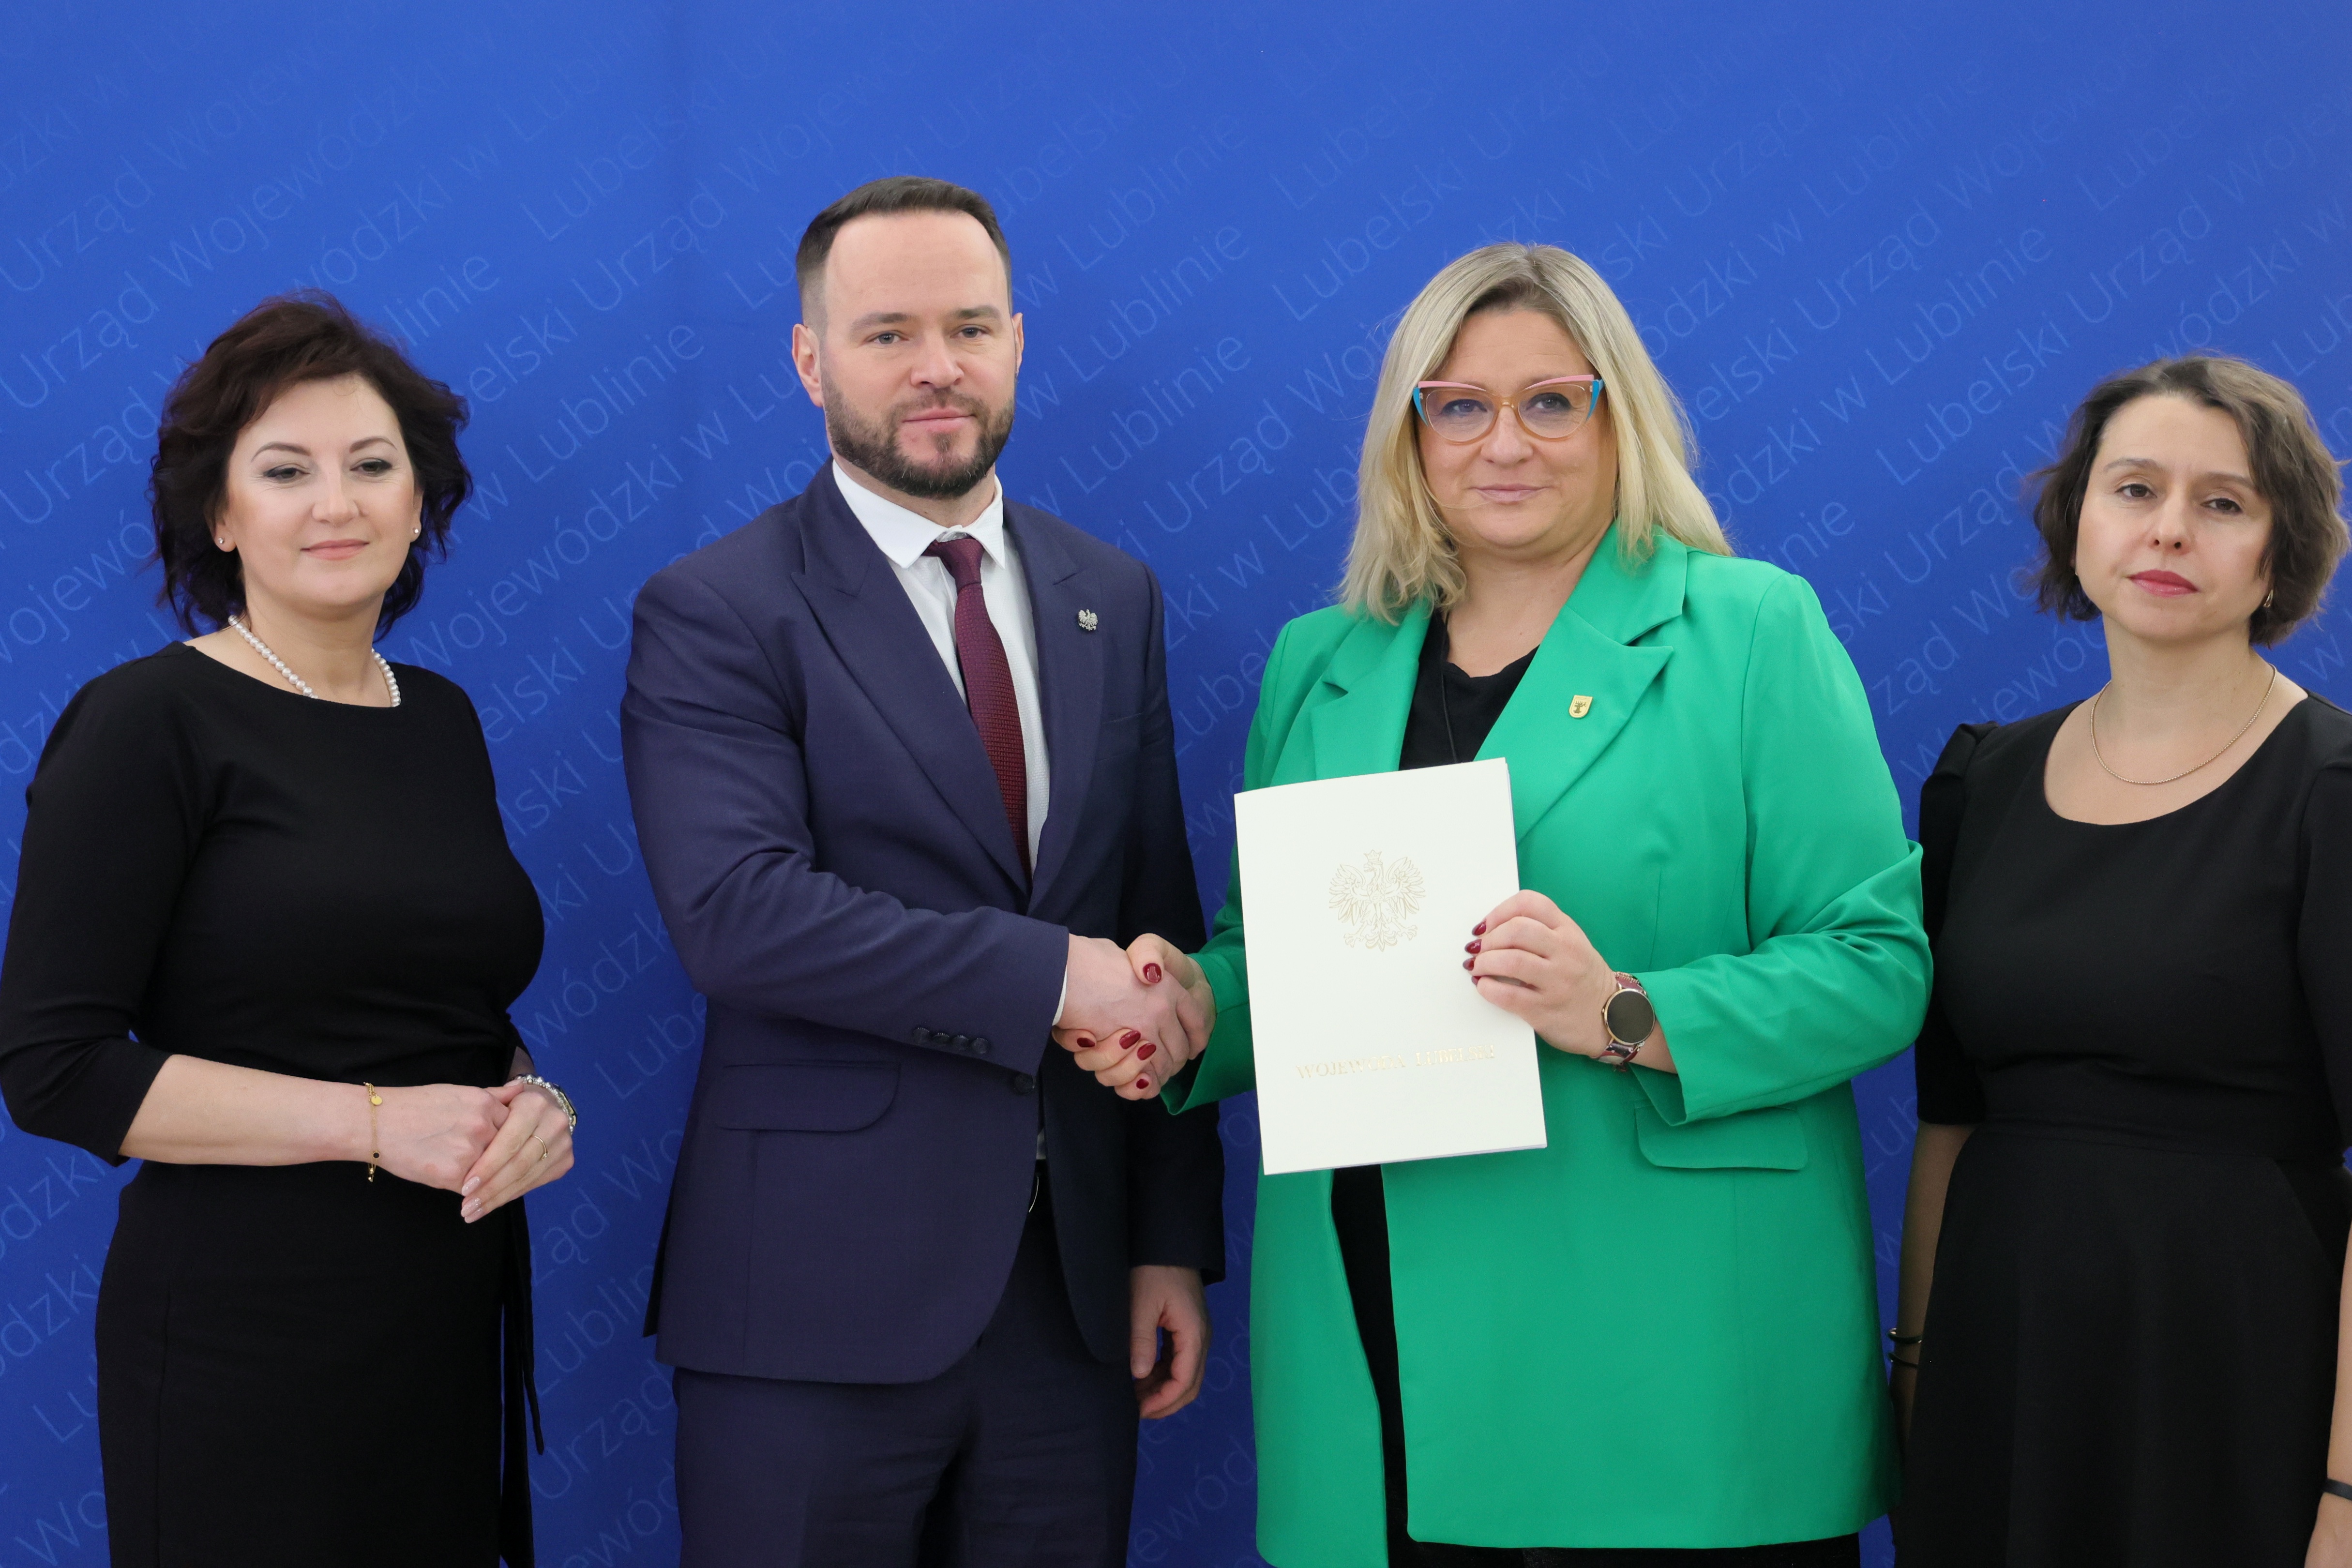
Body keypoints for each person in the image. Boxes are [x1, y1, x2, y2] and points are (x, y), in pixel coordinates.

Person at [1064, 242, 1931, 1565]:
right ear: (1409, 435)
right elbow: (1281, 961)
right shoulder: (1322, 664)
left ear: (1617, 417)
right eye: (1459, 406)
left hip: (1663, 1350)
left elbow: (1877, 963)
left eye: (1551, 402)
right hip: (1377, 1325)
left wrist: (1625, 1011)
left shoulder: (1750, 629)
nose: (1504, 443)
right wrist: (1187, 1006)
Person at [619, 176, 1225, 1568]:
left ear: (1017, 342)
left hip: (1071, 1309)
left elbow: (1154, 920)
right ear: (810, 360)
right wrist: (1050, 978)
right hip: (810, 1312)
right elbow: (740, 918)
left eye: (969, 328)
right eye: (887, 333)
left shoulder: (1110, 594)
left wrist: (1165, 1239)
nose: (937, 366)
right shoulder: (717, 609)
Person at [0, 293, 574, 1568]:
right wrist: (374, 1124)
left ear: (419, 502)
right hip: (243, 1339)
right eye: (285, 471)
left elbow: (438, 1004)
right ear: (220, 515)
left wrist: (526, 1100)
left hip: (439, 1317)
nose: (336, 504)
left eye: (372, 466)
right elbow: (54, 1067)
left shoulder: (439, 719)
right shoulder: (147, 723)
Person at [1892, 355, 2352, 1566]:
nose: (2169, 529)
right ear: (2078, 519)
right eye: (2135, 488)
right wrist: (1916, 1370)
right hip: (2000, 1366)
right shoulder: (1980, 781)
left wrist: (2350, 1494)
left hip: (2237, 1372)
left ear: (2281, 550)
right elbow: (1948, 1118)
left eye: (2224, 502)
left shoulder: (2332, 791)